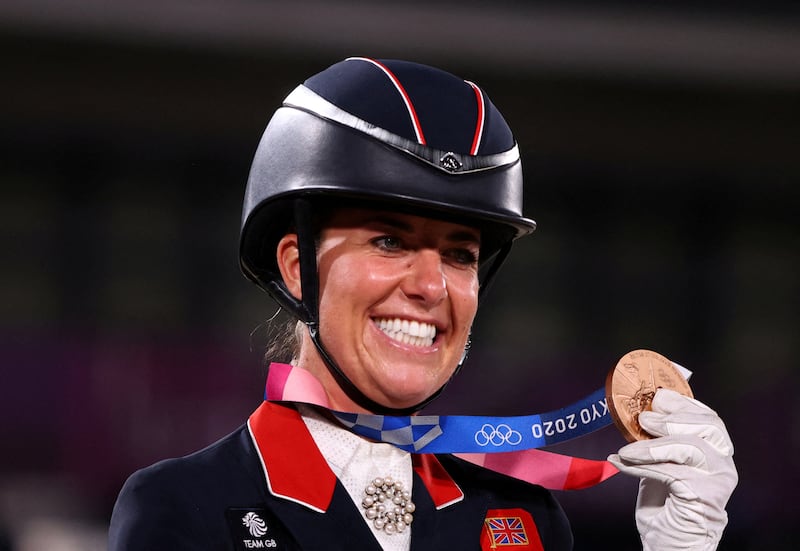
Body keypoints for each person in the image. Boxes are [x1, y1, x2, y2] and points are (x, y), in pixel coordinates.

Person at [108, 57, 737, 550]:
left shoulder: (524, 518)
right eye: (389, 241)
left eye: (460, 255)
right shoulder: (186, 506)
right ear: (299, 271)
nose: (432, 286)